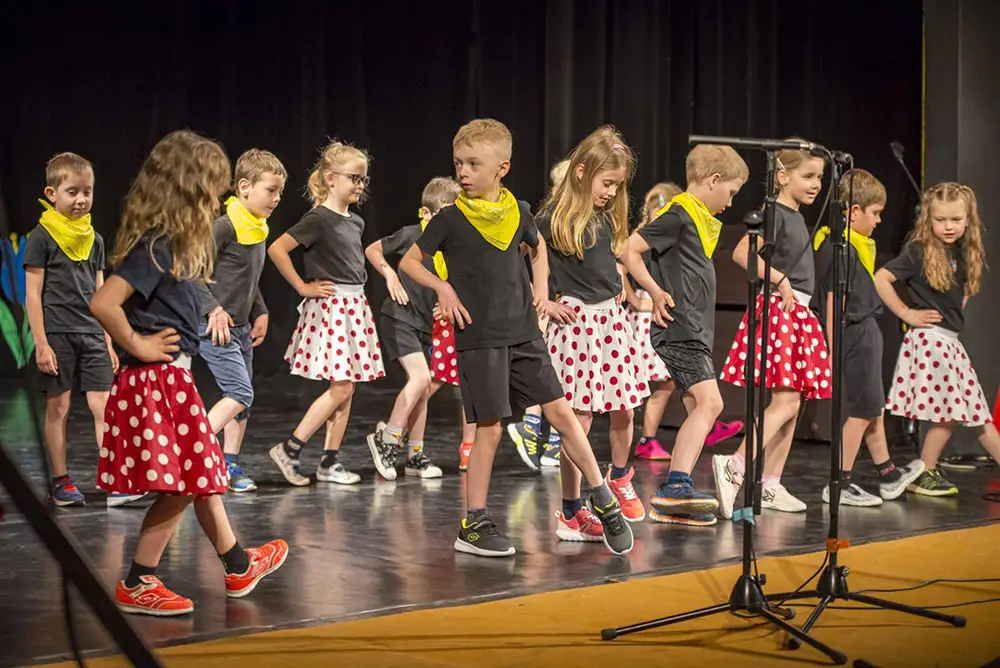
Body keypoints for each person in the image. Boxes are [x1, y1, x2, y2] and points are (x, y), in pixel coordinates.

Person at [399, 118, 633, 557]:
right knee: (488, 428)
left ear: (501, 167)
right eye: (458, 164)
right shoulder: (449, 219)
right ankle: (474, 524)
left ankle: (602, 497)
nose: (463, 172)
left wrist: (541, 295)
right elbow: (411, 262)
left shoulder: (519, 212)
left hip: (524, 333)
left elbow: (538, 248)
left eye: (473, 163)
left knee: (562, 412)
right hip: (480, 337)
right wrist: (443, 288)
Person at [90, 130, 286, 616]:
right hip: (154, 380)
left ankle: (238, 564)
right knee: (186, 481)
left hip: (170, 378)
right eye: (208, 188)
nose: (214, 199)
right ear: (184, 190)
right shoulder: (156, 245)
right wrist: (137, 344)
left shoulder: (174, 244)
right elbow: (103, 302)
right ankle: (139, 580)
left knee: (201, 475)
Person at [620, 144, 749, 526]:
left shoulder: (697, 220)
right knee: (711, 404)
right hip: (679, 327)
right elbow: (629, 249)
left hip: (694, 328)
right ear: (713, 180)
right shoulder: (678, 215)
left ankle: (675, 499)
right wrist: (655, 292)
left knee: (699, 410)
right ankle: (674, 486)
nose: (730, 204)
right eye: (730, 193)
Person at [537, 126, 650, 535]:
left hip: (611, 324)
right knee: (577, 420)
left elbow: (616, 260)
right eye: (607, 183)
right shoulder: (549, 219)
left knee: (625, 407)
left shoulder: (605, 215)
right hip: (577, 326)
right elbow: (528, 269)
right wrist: (545, 302)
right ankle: (570, 509)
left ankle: (619, 477)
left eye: (618, 186)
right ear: (582, 171)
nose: (611, 192)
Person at [714, 142, 832, 518]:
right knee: (786, 401)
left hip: (798, 308)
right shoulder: (775, 212)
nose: (816, 184)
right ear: (783, 176)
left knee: (793, 401)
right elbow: (742, 254)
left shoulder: (796, 216)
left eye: (819, 178)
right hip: (782, 306)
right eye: (808, 176)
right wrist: (779, 279)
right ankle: (736, 464)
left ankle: (770, 483)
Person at [22, 152, 135, 507]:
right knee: (60, 408)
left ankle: (114, 480)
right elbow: (33, 295)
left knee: (104, 405)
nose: (81, 199)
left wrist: (108, 341)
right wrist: (41, 343)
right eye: (72, 192)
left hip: (91, 334)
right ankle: (60, 479)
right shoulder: (41, 237)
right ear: (52, 193)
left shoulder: (95, 239)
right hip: (58, 334)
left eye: (87, 192)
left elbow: (101, 294)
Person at [267, 140, 382, 486]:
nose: (359, 186)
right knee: (342, 387)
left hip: (354, 304)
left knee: (347, 387)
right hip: (332, 307)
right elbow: (278, 248)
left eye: (363, 180)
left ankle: (329, 462)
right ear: (331, 178)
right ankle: (290, 449)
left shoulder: (356, 223)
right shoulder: (318, 218)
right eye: (353, 178)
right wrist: (303, 287)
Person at [876, 181, 1000, 495]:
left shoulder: (963, 251)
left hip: (949, 341)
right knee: (956, 415)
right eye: (940, 220)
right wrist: (907, 313)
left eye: (955, 220)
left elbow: (964, 292)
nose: (948, 226)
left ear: (968, 219)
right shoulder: (919, 250)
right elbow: (882, 278)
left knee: (973, 415)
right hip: (932, 340)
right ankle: (924, 471)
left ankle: (925, 470)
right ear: (928, 219)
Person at [810, 169, 925, 505]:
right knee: (863, 411)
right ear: (853, 211)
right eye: (874, 213)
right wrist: (832, 349)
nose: (878, 221)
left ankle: (887, 473)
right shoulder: (840, 250)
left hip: (865, 330)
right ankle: (839, 483)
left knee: (873, 407)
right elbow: (834, 302)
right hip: (855, 332)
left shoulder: (854, 246)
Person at [627, 182, 743, 462]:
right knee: (664, 386)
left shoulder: (676, 231)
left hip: (666, 310)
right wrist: (642, 298)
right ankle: (649, 440)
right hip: (653, 315)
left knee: (676, 386)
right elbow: (624, 261)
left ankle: (698, 434)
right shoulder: (657, 230)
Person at [364, 176, 470, 479]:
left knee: (424, 389)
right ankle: (387, 439)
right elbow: (373, 250)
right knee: (421, 378)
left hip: (427, 325)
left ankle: (415, 454)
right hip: (399, 317)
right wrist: (390, 276)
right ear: (426, 214)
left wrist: (447, 303)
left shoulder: (451, 249)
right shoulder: (412, 235)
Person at [196, 149, 286, 493]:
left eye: (280, 192)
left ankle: (228, 463)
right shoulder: (223, 226)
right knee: (239, 391)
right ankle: (192, 452)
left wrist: (259, 310)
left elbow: (249, 279)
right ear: (244, 186)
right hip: (215, 326)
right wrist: (212, 309)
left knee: (242, 402)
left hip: (241, 327)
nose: (276, 199)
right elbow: (191, 272)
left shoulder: (257, 228)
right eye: (271, 190)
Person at [506, 158, 570, 471]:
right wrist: (537, 297)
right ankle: (531, 428)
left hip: (566, 303)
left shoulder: (578, 219)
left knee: (560, 375)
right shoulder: (544, 218)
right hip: (549, 303)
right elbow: (520, 257)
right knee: (547, 371)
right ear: (557, 189)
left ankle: (550, 442)